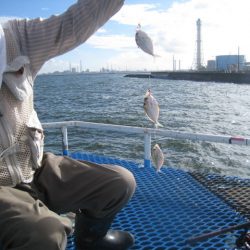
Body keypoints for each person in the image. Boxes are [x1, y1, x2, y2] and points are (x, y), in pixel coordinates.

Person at [0, 1, 136, 249]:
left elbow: (72, 24)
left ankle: (91, 241)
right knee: (46, 232)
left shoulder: (15, 38)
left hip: (34, 168)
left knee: (120, 182)